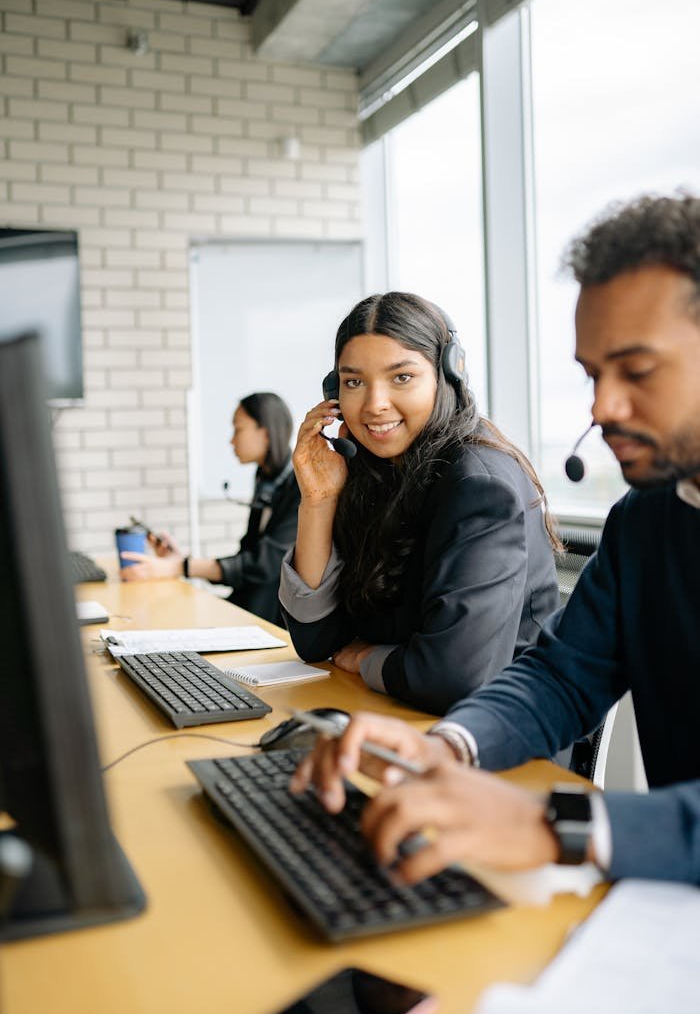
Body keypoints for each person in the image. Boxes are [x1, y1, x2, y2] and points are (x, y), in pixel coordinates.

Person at [292, 193, 700, 886]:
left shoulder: (484, 478)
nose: (601, 408)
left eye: (636, 371)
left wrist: (560, 825)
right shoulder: (646, 521)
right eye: (592, 375)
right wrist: (449, 747)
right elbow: (561, 677)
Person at [279, 292, 560, 715]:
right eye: (354, 382)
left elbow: (453, 678)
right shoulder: (373, 474)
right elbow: (315, 641)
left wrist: (366, 658)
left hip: (493, 744)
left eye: (401, 378)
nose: (374, 404)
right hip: (401, 719)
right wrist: (318, 500)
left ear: (446, 376)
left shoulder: (480, 485)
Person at [121, 392, 299, 626]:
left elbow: (264, 564)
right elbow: (248, 552)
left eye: (238, 429)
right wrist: (181, 561)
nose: (231, 441)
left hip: (277, 617)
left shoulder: (300, 483)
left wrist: (181, 567)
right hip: (252, 604)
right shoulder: (265, 478)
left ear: (265, 432)